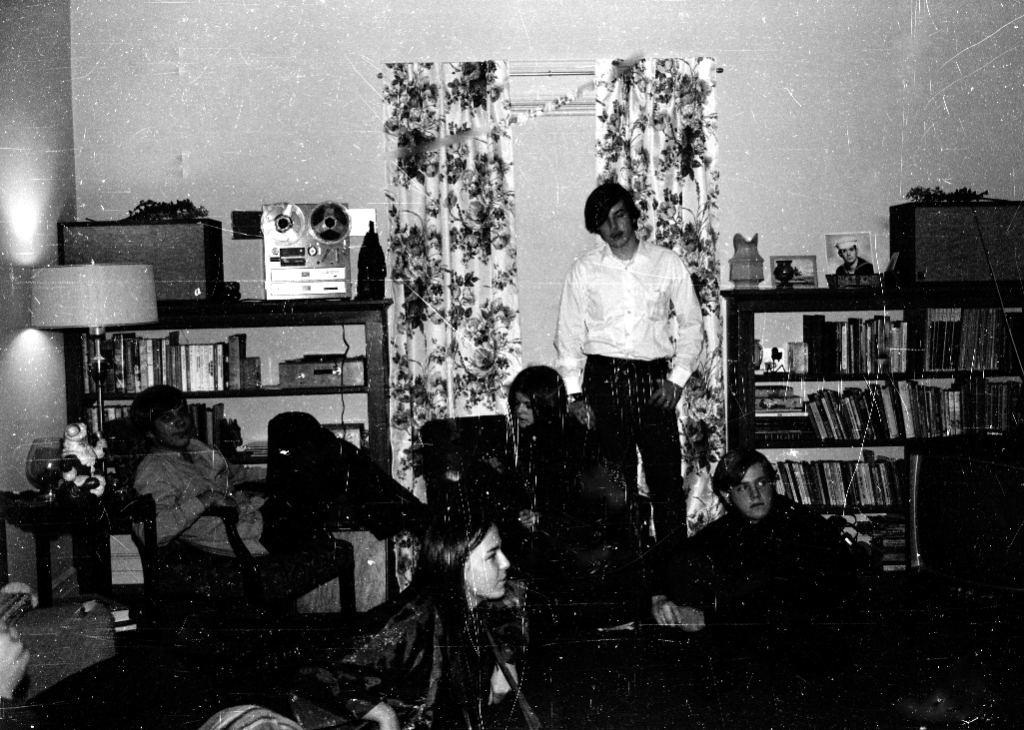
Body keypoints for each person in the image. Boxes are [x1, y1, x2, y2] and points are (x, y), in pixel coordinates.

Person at [289, 503, 527, 730]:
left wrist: (507, 658)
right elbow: (315, 675)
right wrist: (384, 714)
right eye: (492, 555)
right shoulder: (409, 622)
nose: (505, 562)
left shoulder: (476, 603)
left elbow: (511, 606)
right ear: (457, 563)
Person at [554, 181, 704, 541]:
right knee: (613, 491)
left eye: (619, 215)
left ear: (633, 216)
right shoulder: (584, 270)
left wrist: (677, 379)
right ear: (597, 229)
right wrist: (575, 397)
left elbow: (692, 324)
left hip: (653, 384)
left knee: (666, 486)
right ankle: (627, 588)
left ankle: (674, 584)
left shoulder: (667, 263)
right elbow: (569, 336)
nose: (614, 226)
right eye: (604, 221)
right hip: (602, 383)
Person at [650, 448, 861, 675]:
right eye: (743, 487)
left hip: (815, 643)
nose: (755, 495)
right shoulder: (734, 523)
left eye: (761, 483)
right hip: (763, 634)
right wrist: (660, 597)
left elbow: (777, 603)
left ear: (772, 484)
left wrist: (708, 619)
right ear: (727, 494)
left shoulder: (804, 527)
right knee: (687, 563)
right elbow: (676, 555)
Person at [130, 385, 276, 556]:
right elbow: (152, 532)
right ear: (149, 432)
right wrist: (206, 499)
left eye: (182, 412)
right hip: (248, 536)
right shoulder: (154, 469)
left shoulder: (196, 448)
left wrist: (282, 474)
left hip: (259, 515)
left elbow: (240, 474)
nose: (181, 421)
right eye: (168, 417)